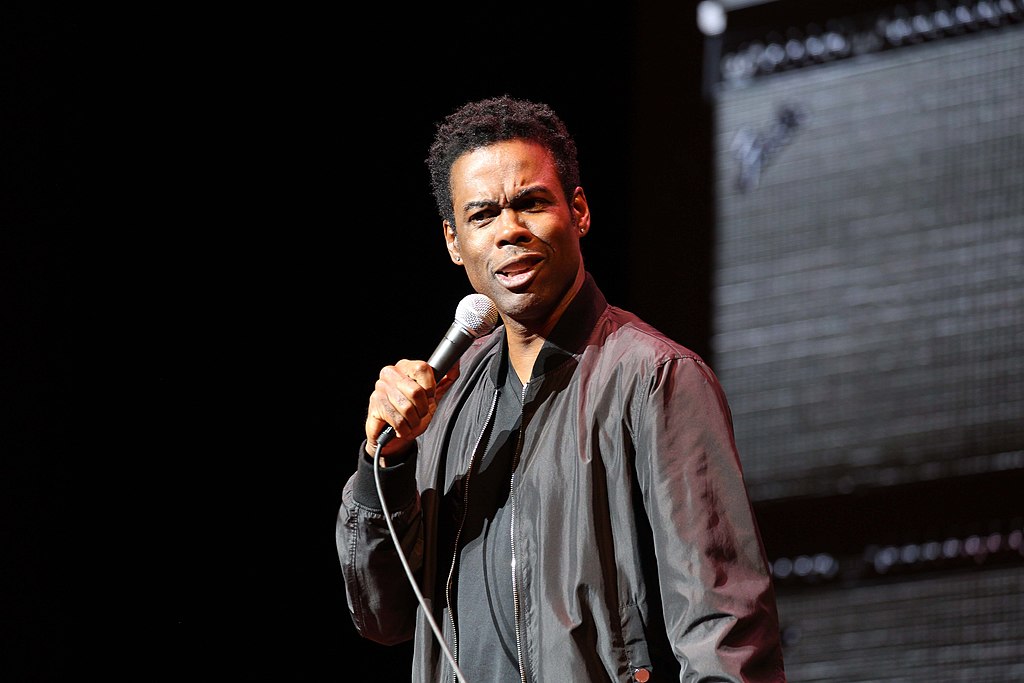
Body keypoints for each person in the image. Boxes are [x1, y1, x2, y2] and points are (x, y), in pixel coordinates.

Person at [336, 95, 786, 682]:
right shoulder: (447, 403)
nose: (509, 231)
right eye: (482, 216)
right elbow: (382, 614)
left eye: (530, 203)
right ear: (453, 242)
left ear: (579, 212)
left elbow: (724, 632)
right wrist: (386, 464)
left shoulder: (654, 379)